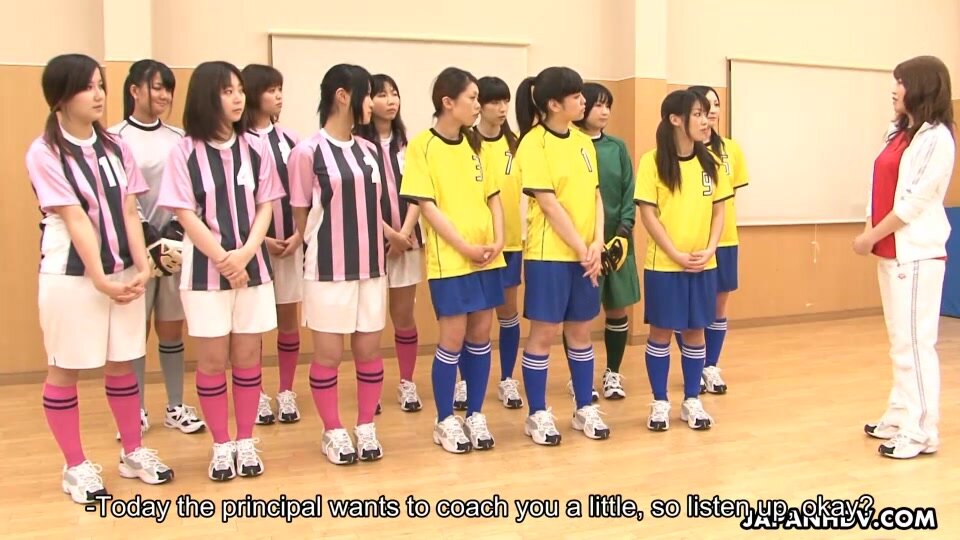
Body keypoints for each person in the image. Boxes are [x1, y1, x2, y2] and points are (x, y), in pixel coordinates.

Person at [27, 53, 174, 503]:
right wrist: (100, 279)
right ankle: (75, 466)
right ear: (60, 96)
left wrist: (143, 266)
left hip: (123, 271)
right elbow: (75, 218)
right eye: (87, 87)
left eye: (99, 85)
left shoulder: (115, 146)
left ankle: (133, 451)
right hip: (72, 276)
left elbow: (130, 210)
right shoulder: (44, 152)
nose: (98, 95)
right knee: (65, 369)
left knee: (123, 363)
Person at [158, 61, 285, 481]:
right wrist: (223, 259)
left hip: (253, 269)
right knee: (212, 362)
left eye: (239, 90)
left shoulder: (255, 147)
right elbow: (184, 212)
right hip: (204, 275)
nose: (237, 98)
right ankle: (221, 444)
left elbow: (266, 205)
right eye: (227, 91)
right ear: (206, 97)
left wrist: (245, 254)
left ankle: (245, 440)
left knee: (248, 359)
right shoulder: (183, 151)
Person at [400, 67, 505, 454]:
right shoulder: (421, 146)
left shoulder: (477, 145)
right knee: (452, 339)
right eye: (472, 98)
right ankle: (445, 419)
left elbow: (493, 196)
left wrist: (498, 240)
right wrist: (464, 246)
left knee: (481, 337)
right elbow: (427, 207)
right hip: (452, 262)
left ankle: (475, 413)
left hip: (487, 258)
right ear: (448, 102)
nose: (478, 105)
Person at [854, 55, 955, 459]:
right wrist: (869, 229)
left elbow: (913, 202)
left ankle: (922, 431)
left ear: (921, 87)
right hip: (890, 253)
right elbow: (877, 185)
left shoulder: (938, 139)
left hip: (917, 255)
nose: (894, 89)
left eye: (901, 82)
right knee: (900, 342)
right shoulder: (898, 133)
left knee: (916, 344)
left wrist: (870, 237)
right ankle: (899, 414)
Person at [288, 64, 387, 465]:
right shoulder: (307, 152)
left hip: (372, 268)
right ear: (343, 96)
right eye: (369, 94)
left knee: (369, 352)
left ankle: (365, 425)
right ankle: (332, 430)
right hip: (327, 270)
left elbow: (373, 208)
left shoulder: (369, 151)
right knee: (328, 355)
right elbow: (302, 215)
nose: (373, 103)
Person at [109, 59, 205, 437]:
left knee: (171, 329)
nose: (164, 95)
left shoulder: (180, 138)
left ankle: (175, 406)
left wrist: (176, 230)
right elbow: (117, 196)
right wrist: (145, 234)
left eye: (168, 88)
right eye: (157, 87)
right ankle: (134, 411)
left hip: (175, 246)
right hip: (134, 250)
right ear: (134, 90)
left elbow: (191, 189)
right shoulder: (114, 138)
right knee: (135, 332)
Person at [515, 66, 609, 446]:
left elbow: (597, 195)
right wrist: (581, 248)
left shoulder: (584, 142)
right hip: (549, 256)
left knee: (581, 332)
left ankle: (584, 407)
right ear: (554, 104)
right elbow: (549, 204)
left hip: (586, 254)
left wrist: (597, 243)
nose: (583, 101)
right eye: (575, 96)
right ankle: (537, 413)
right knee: (543, 334)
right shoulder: (533, 143)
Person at [634, 89, 732, 432]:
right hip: (665, 265)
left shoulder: (712, 162)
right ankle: (660, 402)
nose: (706, 120)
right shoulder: (652, 161)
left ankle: (692, 400)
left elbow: (719, 211)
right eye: (698, 114)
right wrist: (675, 253)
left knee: (695, 331)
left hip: (704, 264)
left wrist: (710, 249)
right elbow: (648, 214)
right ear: (676, 119)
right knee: (661, 332)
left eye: (707, 113)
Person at [355, 74, 424, 413]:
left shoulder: (409, 145)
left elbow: (419, 194)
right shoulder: (357, 146)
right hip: (371, 243)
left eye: (394, 93)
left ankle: (407, 383)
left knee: (404, 316)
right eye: (381, 95)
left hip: (407, 242)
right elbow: (360, 200)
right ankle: (371, 387)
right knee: (370, 320)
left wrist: (404, 234)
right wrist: (388, 234)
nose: (390, 100)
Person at [240, 63, 304, 425]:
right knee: (254, 323)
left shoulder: (291, 140)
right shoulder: (238, 142)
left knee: (288, 319)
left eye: (280, 89)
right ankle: (258, 393)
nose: (278, 96)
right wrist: (259, 239)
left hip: (290, 243)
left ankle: (286, 390)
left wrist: (298, 234)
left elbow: (304, 192)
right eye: (270, 89)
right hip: (253, 246)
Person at [572, 82, 640, 400]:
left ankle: (613, 373)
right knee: (580, 315)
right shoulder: (571, 145)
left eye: (607, 105)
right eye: (598, 105)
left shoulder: (617, 147)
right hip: (582, 244)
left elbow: (629, 189)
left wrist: (624, 229)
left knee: (617, 308)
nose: (604, 111)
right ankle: (579, 379)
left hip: (617, 242)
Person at [686, 84, 750, 395]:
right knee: (691, 308)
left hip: (724, 240)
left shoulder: (731, 149)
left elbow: (726, 197)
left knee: (719, 304)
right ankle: (693, 366)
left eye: (716, 104)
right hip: (692, 242)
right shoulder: (684, 151)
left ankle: (710, 365)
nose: (711, 111)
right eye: (703, 106)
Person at [469, 75, 524, 410]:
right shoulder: (466, 143)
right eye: (494, 102)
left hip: (511, 243)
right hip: (476, 245)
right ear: (479, 105)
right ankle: (465, 382)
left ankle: (507, 378)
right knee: (474, 319)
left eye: (505, 101)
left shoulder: (517, 145)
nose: (502, 108)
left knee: (508, 313)